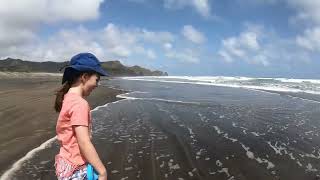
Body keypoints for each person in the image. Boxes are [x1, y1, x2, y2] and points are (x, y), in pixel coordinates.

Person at [54, 53, 108, 180]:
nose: (97, 84)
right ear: (84, 77)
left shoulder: (67, 98)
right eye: (97, 79)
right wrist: (102, 172)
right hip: (76, 169)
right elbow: (84, 142)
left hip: (65, 164)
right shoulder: (80, 104)